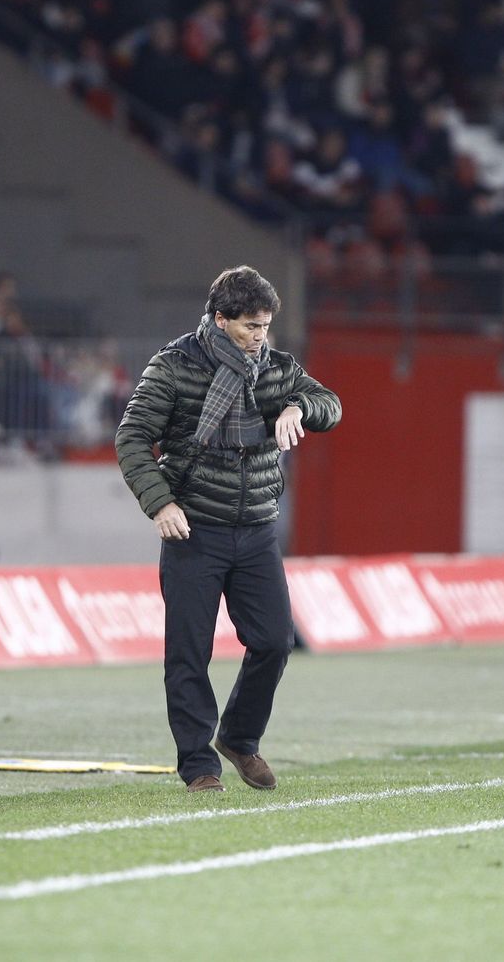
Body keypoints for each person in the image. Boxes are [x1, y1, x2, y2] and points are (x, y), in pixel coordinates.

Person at [115, 265, 342, 793]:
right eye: (250, 328)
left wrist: (297, 405)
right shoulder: (173, 367)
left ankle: (239, 737)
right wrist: (160, 504)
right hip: (194, 529)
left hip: (258, 529)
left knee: (274, 642)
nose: (260, 338)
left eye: (265, 327)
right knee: (189, 651)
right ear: (220, 320)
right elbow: (131, 439)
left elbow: (331, 405)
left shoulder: (278, 368)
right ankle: (198, 764)